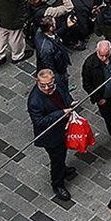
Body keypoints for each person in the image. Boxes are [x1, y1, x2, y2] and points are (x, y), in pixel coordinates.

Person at [28, 68, 74, 200]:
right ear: (37, 82)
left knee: (62, 154)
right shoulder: (35, 101)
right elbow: (39, 122)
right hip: (51, 136)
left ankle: (63, 169)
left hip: (63, 127)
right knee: (56, 160)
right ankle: (57, 184)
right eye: (43, 85)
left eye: (49, 84)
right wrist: (61, 113)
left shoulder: (58, 82)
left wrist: (70, 102)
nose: (47, 88)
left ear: (53, 80)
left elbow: (64, 94)